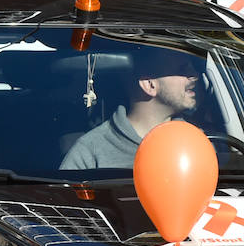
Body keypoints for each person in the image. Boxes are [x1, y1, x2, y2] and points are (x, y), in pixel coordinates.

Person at [60, 46, 202, 170]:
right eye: (182, 69)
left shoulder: (198, 143)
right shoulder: (90, 151)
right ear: (149, 84)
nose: (194, 75)